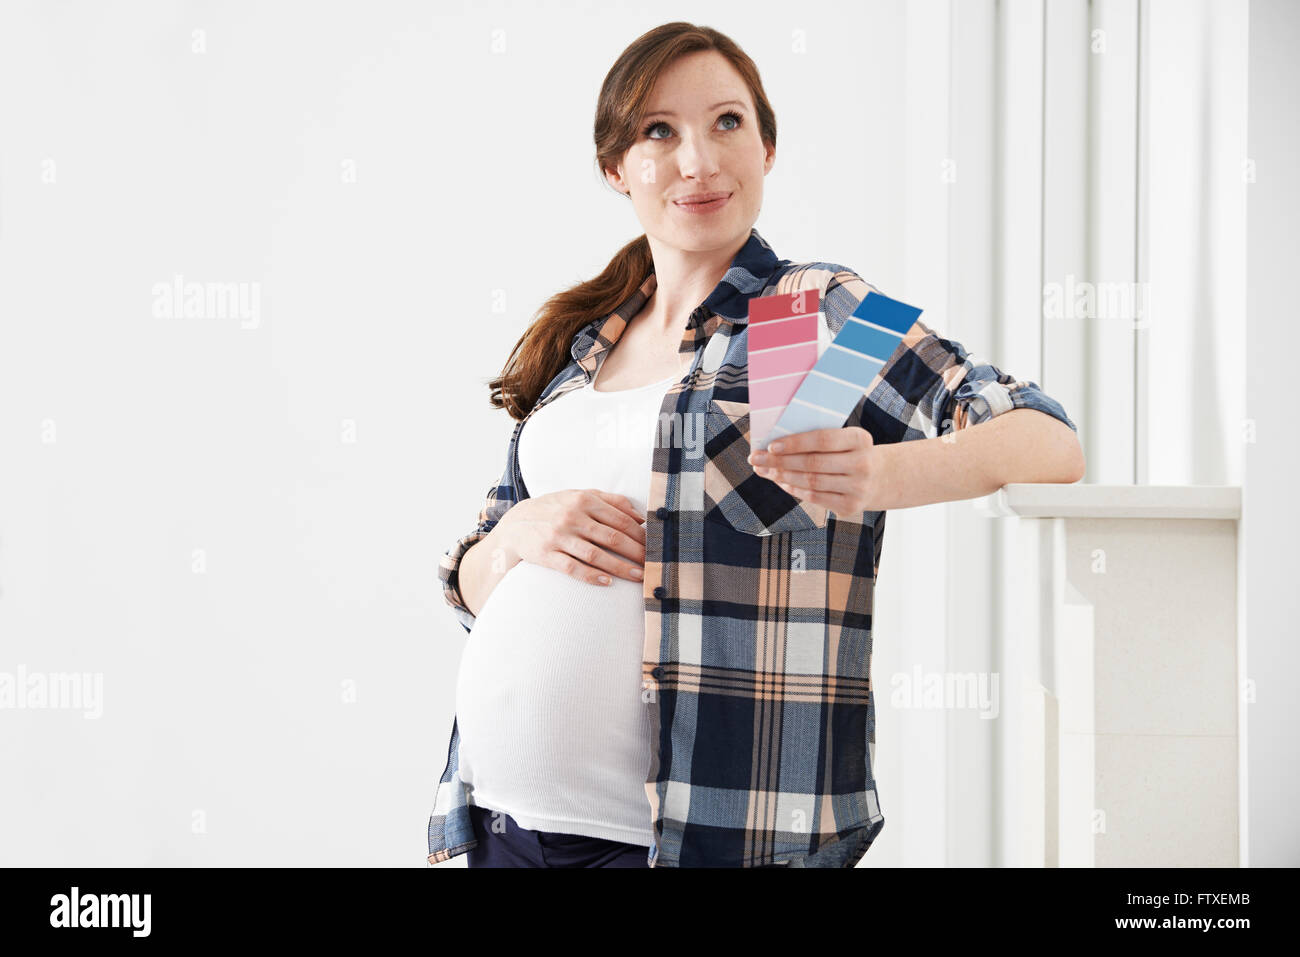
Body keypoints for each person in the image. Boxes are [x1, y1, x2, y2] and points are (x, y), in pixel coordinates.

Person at [427, 22, 1084, 869]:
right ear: (615, 167)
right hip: (499, 825)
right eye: (659, 131)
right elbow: (475, 579)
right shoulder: (580, 345)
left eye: (727, 122)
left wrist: (882, 471)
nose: (699, 159)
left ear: (767, 148)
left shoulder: (806, 316)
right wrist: (510, 540)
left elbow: (1044, 437)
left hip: (696, 843)